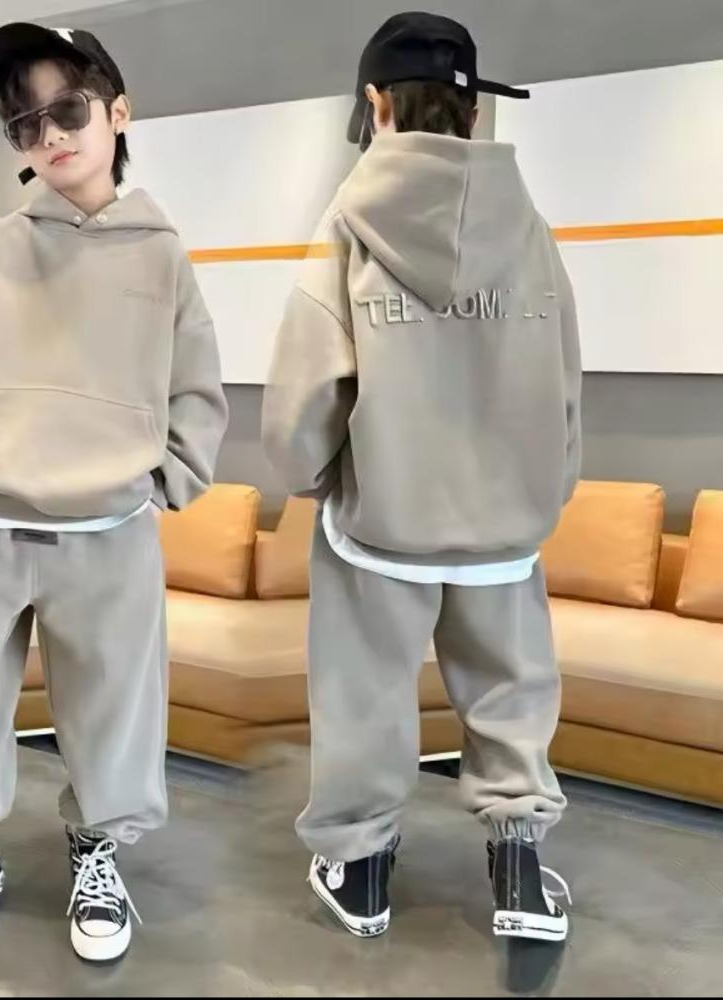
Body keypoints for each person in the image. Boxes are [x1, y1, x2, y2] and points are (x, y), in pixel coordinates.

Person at [0, 22, 227, 963]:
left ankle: (97, 850)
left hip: (107, 527)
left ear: (117, 111)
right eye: (25, 122)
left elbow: (195, 387)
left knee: (112, 705)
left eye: (68, 108)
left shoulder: (162, 256)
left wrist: (157, 482)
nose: (49, 133)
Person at [263, 11, 580, 943]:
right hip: (504, 528)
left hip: (383, 522)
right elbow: (564, 379)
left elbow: (302, 401)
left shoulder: (347, 226)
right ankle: (519, 872)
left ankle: (360, 872)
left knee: (363, 696)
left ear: (376, 105)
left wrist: (318, 479)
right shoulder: (530, 230)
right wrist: (543, 489)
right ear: (472, 110)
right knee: (511, 691)